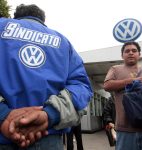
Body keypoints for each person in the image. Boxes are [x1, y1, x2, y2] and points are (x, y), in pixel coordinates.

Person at [0, 4, 93, 150]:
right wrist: (49, 114)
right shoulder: (63, 42)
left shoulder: (2, 26)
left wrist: (4, 115)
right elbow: (81, 87)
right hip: (48, 139)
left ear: (15, 17)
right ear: (43, 20)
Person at [103, 41, 142, 150]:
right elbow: (107, 85)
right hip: (125, 130)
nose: (131, 53)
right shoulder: (115, 69)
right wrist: (132, 81)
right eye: (127, 51)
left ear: (139, 54)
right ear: (122, 55)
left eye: (134, 51)